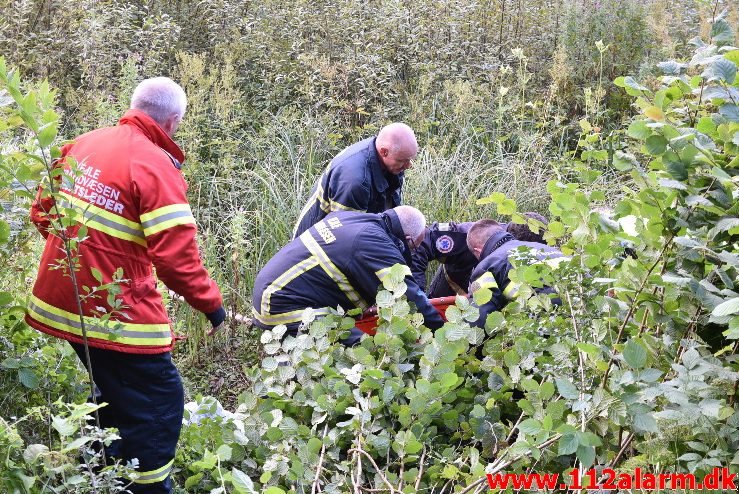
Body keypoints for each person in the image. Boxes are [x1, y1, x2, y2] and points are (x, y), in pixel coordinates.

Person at [26, 77, 225, 493]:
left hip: (60, 300)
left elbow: (42, 212)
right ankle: (148, 487)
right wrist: (212, 306)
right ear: (173, 122)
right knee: (159, 403)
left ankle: (101, 475)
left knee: (114, 391)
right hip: (114, 314)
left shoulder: (83, 144)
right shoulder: (154, 165)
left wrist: (83, 258)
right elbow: (176, 259)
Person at [254, 206, 444, 345]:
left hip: (270, 292)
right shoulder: (374, 242)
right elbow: (409, 296)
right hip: (282, 304)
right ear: (408, 240)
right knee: (364, 351)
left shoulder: (355, 218)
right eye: (415, 247)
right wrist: (442, 334)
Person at [292, 123, 418, 238]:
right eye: (404, 160)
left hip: (346, 234)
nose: (409, 166)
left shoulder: (390, 161)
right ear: (384, 152)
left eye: (410, 159)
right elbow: (348, 238)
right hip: (317, 243)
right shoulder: (355, 181)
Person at [411, 212, 549, 298]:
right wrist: (417, 295)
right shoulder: (468, 235)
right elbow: (422, 241)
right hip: (452, 287)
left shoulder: (541, 251)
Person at [466, 219, 562, 327]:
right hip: (580, 311)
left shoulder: (487, 266)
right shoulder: (544, 248)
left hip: (549, 322)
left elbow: (479, 319)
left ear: (478, 250)